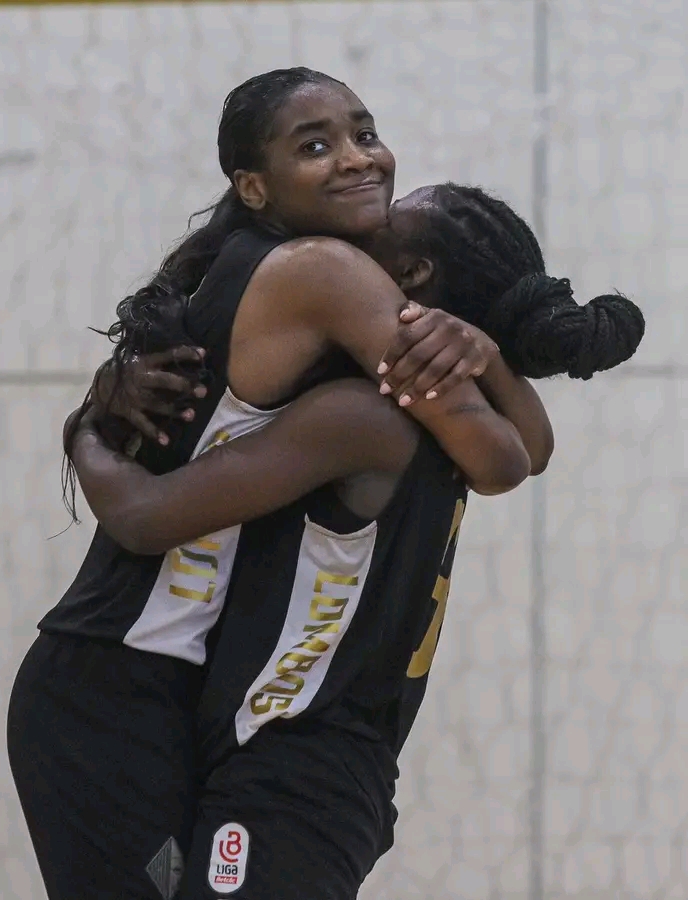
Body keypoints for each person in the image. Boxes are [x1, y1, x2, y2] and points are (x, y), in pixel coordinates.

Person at [7, 67, 535, 900]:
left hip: (186, 694)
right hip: (109, 687)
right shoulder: (326, 272)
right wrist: (79, 426)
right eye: (316, 145)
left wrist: (486, 349)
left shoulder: (283, 282)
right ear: (253, 186)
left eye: (365, 133)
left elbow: (520, 450)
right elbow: (507, 457)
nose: (358, 160)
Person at [66, 182, 644, 900]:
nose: (364, 211)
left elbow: (145, 516)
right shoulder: (458, 423)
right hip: (311, 767)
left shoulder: (364, 415)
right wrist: (489, 356)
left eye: (387, 216)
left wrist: (87, 423)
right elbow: (534, 449)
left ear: (412, 278)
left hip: (293, 772)